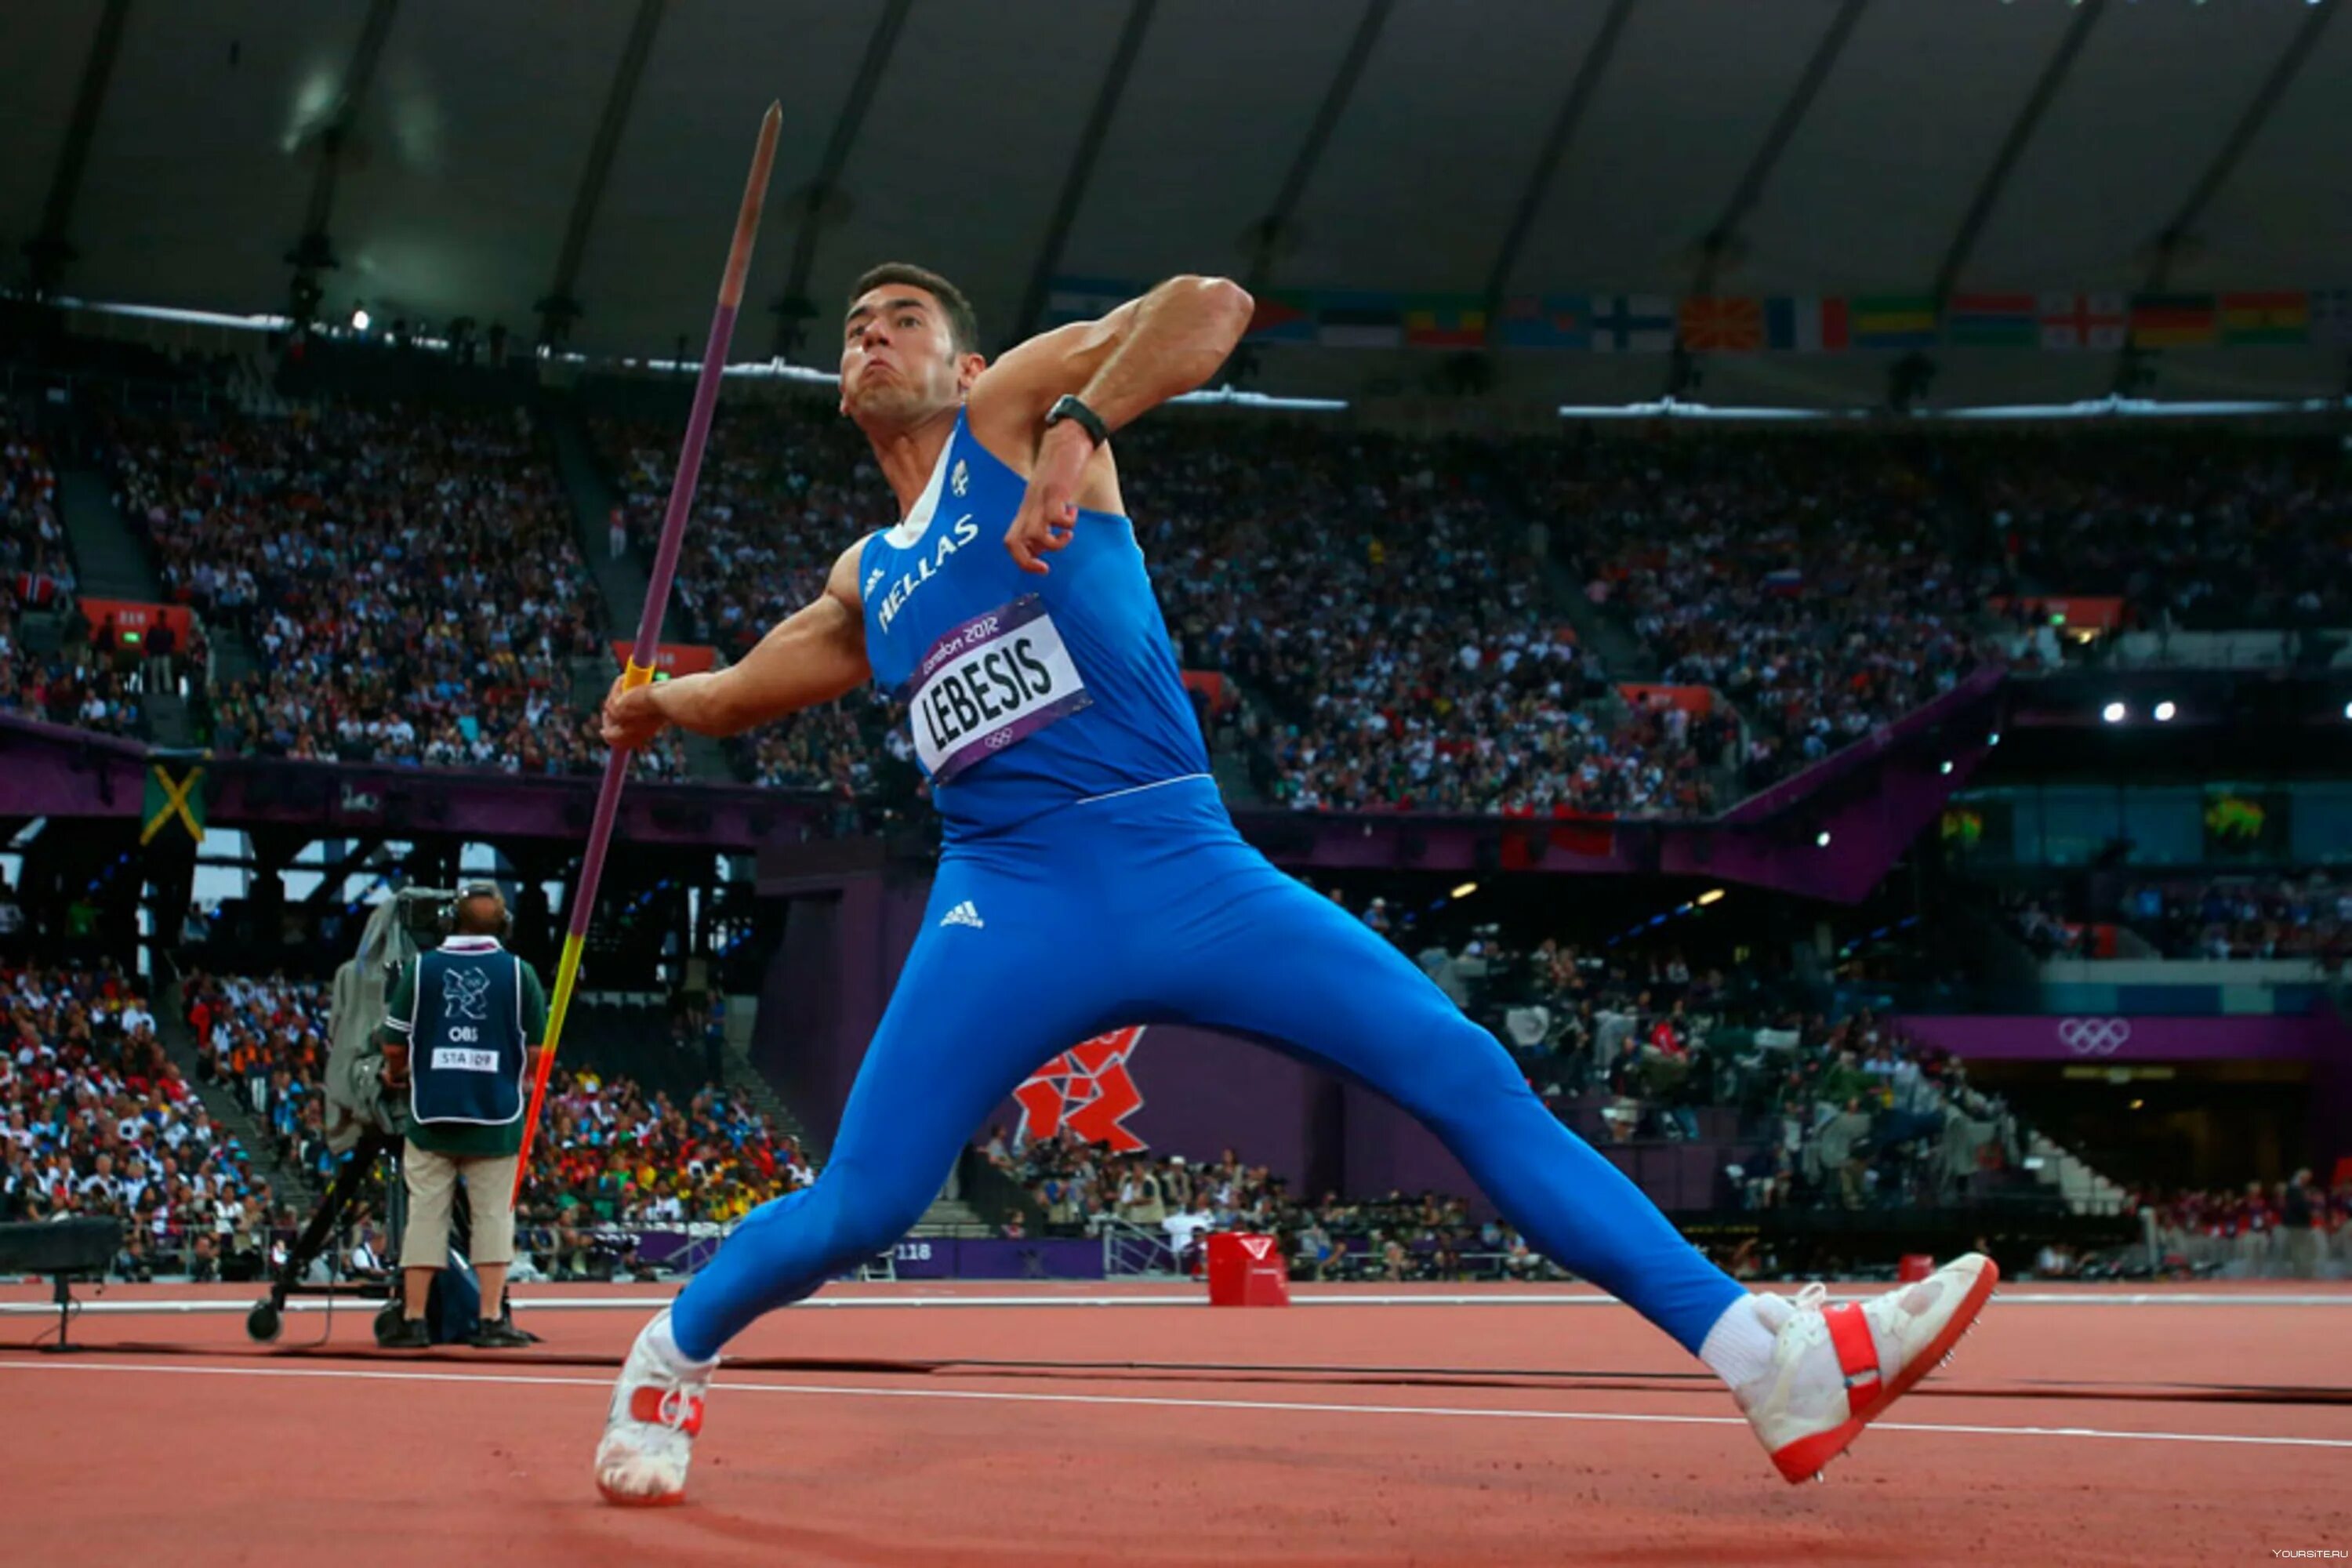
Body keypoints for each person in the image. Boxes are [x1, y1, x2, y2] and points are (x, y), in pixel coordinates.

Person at [590, 266, 1995, 1504]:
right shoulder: (868, 579)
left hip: (1184, 860)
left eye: (902, 321)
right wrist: (658, 707)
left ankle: (1770, 1364)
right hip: (1004, 898)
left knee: (1461, 1069)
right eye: (851, 329)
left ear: (965, 365)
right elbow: (743, 690)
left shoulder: (1012, 415)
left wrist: (1081, 431)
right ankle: (672, 1352)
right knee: (866, 1203)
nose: (869, 339)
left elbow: (1210, 307)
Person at [376, 885, 546, 1349]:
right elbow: (536, 1051)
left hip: (431, 1113)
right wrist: (521, 1079)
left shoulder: (421, 968)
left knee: (425, 1217)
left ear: (452, 922)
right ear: (503, 925)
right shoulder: (519, 973)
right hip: (496, 1114)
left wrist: (400, 1073)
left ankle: (414, 1319)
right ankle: (490, 1319)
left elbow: (393, 1043)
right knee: (494, 1218)